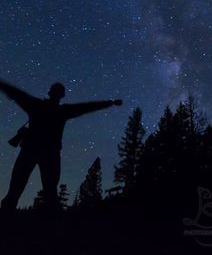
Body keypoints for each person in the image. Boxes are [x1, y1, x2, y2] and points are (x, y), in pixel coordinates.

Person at [0, 79, 122, 210]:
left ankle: (7, 220)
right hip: (49, 153)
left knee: (18, 188)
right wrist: (110, 103)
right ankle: (54, 224)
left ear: (49, 92)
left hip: (31, 150)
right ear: (62, 95)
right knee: (49, 191)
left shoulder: (36, 105)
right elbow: (86, 107)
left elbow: (16, 93)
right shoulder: (62, 111)